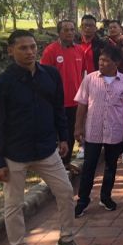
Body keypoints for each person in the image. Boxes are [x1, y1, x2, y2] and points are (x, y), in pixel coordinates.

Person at [0, 30, 84, 245]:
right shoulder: (2, 83)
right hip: (14, 154)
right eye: (23, 48)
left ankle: (66, 238)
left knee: (65, 191)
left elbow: (58, 108)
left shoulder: (50, 75)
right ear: (10, 50)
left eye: (33, 47)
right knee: (13, 204)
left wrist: (63, 137)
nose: (30, 52)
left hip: (46, 149)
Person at [74, 45, 123, 217]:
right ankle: (83, 200)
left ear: (116, 63)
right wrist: (78, 127)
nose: (101, 63)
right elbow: (82, 104)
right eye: (100, 60)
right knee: (89, 167)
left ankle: (106, 197)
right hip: (93, 131)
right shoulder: (90, 79)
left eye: (106, 60)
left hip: (115, 132)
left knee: (111, 166)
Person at [41, 20, 87, 166]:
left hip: (75, 102)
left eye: (72, 29)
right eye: (66, 30)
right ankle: (55, 166)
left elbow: (82, 73)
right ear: (59, 32)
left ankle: (66, 165)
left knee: (71, 135)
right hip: (57, 103)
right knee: (57, 136)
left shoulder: (80, 50)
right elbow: (44, 76)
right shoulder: (50, 51)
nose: (69, 33)